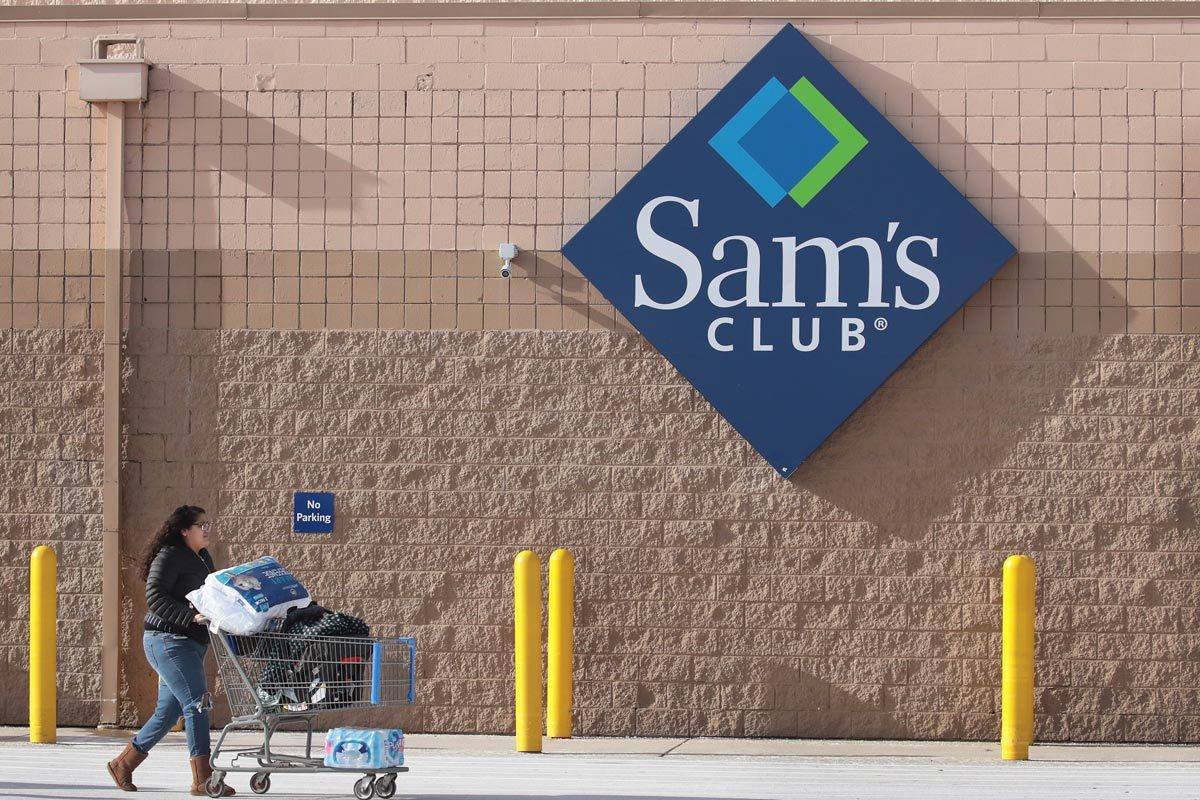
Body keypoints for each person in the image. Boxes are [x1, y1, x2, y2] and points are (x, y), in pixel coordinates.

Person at [106, 505, 236, 796]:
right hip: (167, 640)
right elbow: (155, 597)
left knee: (169, 711)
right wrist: (190, 616)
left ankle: (123, 763)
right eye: (201, 525)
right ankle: (203, 779)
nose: (207, 529)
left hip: (191, 643)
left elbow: (210, 595)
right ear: (184, 530)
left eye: (207, 524)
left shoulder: (202, 558)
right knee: (198, 703)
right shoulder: (169, 556)